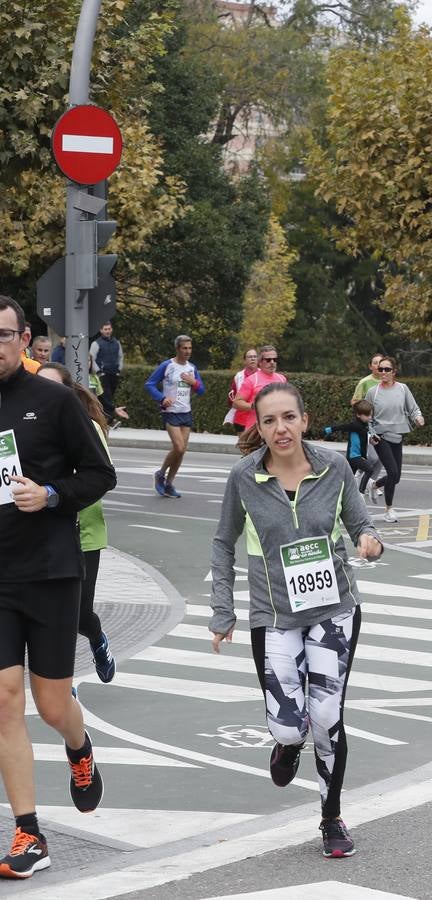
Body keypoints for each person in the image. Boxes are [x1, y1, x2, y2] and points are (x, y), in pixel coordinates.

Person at [209, 382, 382, 859]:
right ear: (258, 428)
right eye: (269, 421)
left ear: (304, 420)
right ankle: (287, 744)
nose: (280, 428)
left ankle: (331, 817)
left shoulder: (334, 467)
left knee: (328, 716)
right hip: (275, 614)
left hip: (335, 609)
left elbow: (359, 522)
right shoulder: (244, 477)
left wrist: (370, 541)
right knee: (289, 726)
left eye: (288, 417)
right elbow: (223, 543)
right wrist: (222, 610)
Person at [0, 295, 116, 880]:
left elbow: (101, 474)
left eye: (3, 335)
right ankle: (29, 831)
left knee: (50, 705)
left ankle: (79, 744)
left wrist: (48, 496)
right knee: (3, 701)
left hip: (49, 571)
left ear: (25, 340)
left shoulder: (53, 401)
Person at [37, 364, 117, 687]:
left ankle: (97, 637)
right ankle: (62, 684)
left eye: (53, 390)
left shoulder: (87, 428)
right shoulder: (26, 428)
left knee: (79, 614)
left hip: (85, 533)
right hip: (43, 534)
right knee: (52, 614)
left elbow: (101, 477)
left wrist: (61, 493)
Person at [144, 334, 204, 499]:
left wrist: (194, 383)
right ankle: (160, 474)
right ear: (177, 349)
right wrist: (162, 398)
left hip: (186, 412)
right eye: (184, 348)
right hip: (170, 412)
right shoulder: (167, 365)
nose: (187, 351)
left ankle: (169, 483)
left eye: (190, 348)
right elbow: (149, 384)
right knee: (178, 447)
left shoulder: (192, 368)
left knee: (182, 451)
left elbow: (201, 390)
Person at [364, 356, 423, 523]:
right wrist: (370, 434)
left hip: (398, 435)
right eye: (380, 369)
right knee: (393, 472)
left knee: (396, 477)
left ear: (394, 372)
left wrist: (419, 417)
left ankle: (373, 485)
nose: (383, 372)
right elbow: (366, 416)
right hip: (380, 437)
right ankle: (389, 509)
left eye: (387, 369)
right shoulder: (372, 392)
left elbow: (413, 409)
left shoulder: (403, 389)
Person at [322, 400, 378, 498]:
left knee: (348, 479)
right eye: (367, 415)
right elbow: (343, 427)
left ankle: (335, 493)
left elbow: (363, 438)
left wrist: (371, 440)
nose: (369, 417)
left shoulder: (365, 425)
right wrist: (330, 430)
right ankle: (361, 493)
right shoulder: (355, 425)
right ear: (358, 415)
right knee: (369, 470)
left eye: (370, 415)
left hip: (357, 456)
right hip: (354, 456)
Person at [350, 355, 386, 500]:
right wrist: (366, 408)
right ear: (370, 366)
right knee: (372, 456)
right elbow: (354, 401)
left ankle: (369, 482)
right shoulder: (365, 382)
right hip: (369, 424)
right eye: (375, 363)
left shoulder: (388, 383)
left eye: (381, 364)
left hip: (383, 425)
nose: (378, 366)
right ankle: (361, 477)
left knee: (381, 457)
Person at [232, 345, 286, 433]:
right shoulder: (252, 380)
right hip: (255, 430)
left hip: (276, 429)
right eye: (268, 360)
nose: (272, 362)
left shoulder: (282, 379)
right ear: (260, 362)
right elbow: (236, 403)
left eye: (275, 359)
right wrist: (255, 406)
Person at [90, 322, 123, 422]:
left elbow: (120, 356)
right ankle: (110, 419)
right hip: (102, 374)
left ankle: (105, 418)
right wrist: (98, 371)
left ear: (111, 329)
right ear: (101, 330)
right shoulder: (96, 343)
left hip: (114, 373)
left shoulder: (116, 342)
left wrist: (119, 369)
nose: (107, 331)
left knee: (110, 396)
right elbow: (92, 359)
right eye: (105, 329)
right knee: (105, 396)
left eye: (109, 329)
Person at [223, 348, 258, 432]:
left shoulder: (262, 374)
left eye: (255, 356)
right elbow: (232, 397)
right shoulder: (239, 376)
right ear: (245, 360)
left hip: (258, 417)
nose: (253, 359)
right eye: (250, 357)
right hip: (241, 417)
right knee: (244, 444)